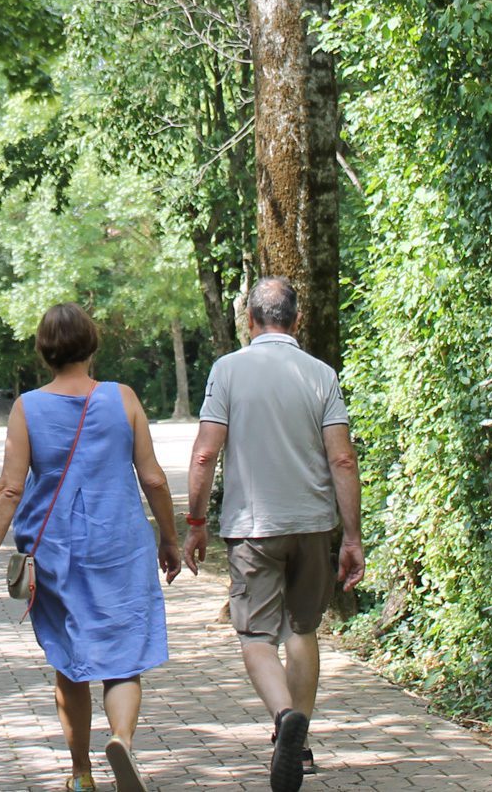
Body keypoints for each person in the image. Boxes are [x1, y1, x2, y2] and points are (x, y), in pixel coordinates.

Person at [0, 303, 183, 792]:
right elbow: (151, 476)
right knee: (123, 658)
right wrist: (168, 538)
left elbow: (9, 488)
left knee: (71, 661)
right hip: (121, 544)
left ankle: (81, 774)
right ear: (92, 344)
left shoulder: (28, 407)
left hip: (57, 552)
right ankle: (123, 742)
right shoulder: (122, 398)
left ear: (45, 352)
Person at [182, 276, 364, 792]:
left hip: (253, 529)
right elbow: (342, 458)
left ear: (250, 320)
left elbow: (204, 453)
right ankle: (300, 747)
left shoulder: (228, 370)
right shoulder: (321, 374)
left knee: (257, 637)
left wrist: (196, 523)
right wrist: (351, 537)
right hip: (312, 524)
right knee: (301, 631)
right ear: (297, 319)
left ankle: (284, 718)